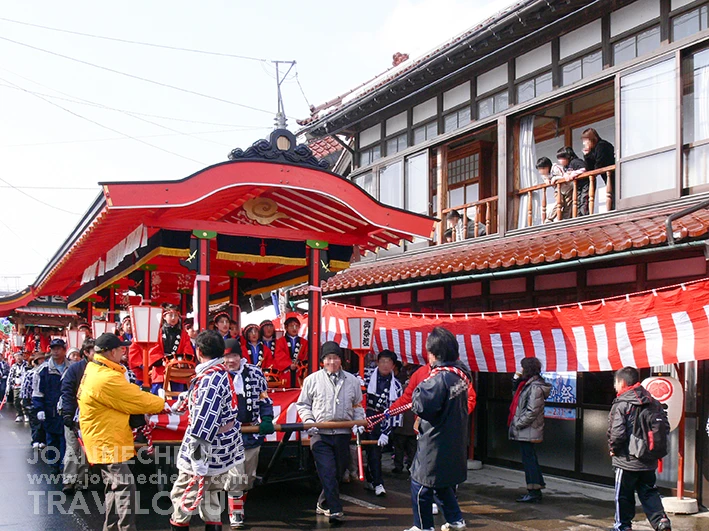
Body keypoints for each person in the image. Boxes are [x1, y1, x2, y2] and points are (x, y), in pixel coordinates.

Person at [78, 333, 166, 531]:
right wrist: (164, 403)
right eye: (120, 349)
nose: (123, 351)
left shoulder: (95, 369)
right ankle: (126, 528)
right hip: (106, 440)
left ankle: (111, 528)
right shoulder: (106, 377)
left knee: (115, 487)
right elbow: (136, 399)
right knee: (126, 486)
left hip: (104, 437)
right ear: (111, 352)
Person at [170, 330, 243, 531]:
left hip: (207, 448)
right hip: (222, 448)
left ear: (199, 351)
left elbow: (204, 422)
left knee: (183, 498)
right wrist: (179, 403)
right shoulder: (218, 373)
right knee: (211, 496)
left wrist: (198, 459)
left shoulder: (211, 379)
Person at [407, 327, 472, 531]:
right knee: (442, 483)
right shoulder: (460, 375)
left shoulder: (439, 378)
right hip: (453, 438)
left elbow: (421, 406)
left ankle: (422, 526)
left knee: (420, 485)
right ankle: (455, 519)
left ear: (434, 354)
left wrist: (420, 388)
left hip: (435, 440)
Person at [296, 341, 365, 524]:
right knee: (327, 470)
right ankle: (335, 509)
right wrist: (309, 422)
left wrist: (359, 423)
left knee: (338, 472)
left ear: (341, 360)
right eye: (328, 358)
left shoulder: (352, 380)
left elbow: (357, 405)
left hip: (343, 432)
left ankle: (322, 503)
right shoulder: (312, 380)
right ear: (322, 361)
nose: (332, 362)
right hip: (320, 432)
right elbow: (303, 404)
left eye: (335, 358)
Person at [608, 367, 672, 531]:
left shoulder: (622, 403)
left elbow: (617, 433)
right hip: (648, 459)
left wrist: (613, 449)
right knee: (649, 492)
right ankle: (661, 521)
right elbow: (665, 426)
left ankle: (623, 526)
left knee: (623, 494)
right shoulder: (653, 402)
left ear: (622, 382)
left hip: (626, 460)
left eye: (616, 382)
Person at [223, 338, 275, 529]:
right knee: (236, 476)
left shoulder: (254, 373)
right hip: (228, 433)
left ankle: (238, 504)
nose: (230, 360)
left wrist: (267, 418)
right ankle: (236, 513)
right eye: (227, 356)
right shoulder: (219, 375)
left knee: (249, 476)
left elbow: (264, 398)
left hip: (252, 431)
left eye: (234, 356)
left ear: (240, 356)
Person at [508, 357, 551, 503]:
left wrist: (518, 423)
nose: (521, 370)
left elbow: (532, 411)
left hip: (528, 428)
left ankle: (534, 491)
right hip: (527, 428)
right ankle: (536, 487)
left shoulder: (535, 387)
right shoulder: (526, 384)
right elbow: (516, 396)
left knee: (529, 460)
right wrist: (515, 379)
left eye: (522, 368)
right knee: (529, 458)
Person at [363, 349, 403, 496]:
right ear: (377, 362)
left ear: (393, 365)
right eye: (382, 361)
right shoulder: (366, 375)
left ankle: (378, 482)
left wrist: (386, 432)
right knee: (365, 450)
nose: (385, 365)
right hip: (363, 415)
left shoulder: (396, 386)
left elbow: (396, 411)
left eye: (389, 362)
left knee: (375, 452)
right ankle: (371, 479)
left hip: (381, 419)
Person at [59, 337, 95, 493]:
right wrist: (68, 414)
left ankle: (82, 480)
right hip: (74, 412)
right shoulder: (74, 370)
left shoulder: (102, 369)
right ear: (86, 352)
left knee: (86, 449)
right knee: (73, 447)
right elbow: (67, 392)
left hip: (91, 415)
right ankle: (69, 480)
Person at [33, 338, 72, 473]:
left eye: (58, 348)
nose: (55, 351)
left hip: (66, 409)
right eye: (53, 348)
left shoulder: (71, 367)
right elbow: (37, 391)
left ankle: (63, 465)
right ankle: (53, 464)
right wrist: (39, 409)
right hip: (50, 409)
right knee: (51, 438)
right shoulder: (43, 370)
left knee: (65, 439)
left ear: (64, 350)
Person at [147, 304, 194, 394]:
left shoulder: (183, 334)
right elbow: (153, 350)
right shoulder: (158, 332)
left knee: (177, 399)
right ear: (164, 316)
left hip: (178, 368)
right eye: (171, 315)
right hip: (161, 368)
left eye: (176, 315)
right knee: (158, 397)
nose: (173, 318)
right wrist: (163, 361)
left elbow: (188, 350)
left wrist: (179, 361)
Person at [391, 363, 420, 474]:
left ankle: (399, 466)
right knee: (410, 449)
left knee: (400, 448)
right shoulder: (421, 390)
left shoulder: (402, 388)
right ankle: (410, 467)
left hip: (403, 424)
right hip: (411, 424)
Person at [274, 313, 309, 388]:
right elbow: (279, 356)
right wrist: (289, 364)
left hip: (299, 372)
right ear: (286, 327)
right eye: (291, 326)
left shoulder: (304, 342)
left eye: (296, 326)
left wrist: (298, 365)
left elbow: (306, 356)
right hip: (285, 372)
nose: (294, 328)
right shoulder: (280, 341)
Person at [21, 352, 46, 449]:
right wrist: (25, 400)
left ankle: (42, 440)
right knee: (35, 422)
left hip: (44, 400)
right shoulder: (30, 373)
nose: (42, 361)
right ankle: (35, 439)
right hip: (32, 400)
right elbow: (26, 388)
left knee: (43, 422)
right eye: (40, 359)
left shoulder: (46, 372)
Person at [555, 146, 588, 217]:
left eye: (561, 158)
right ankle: (579, 216)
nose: (559, 161)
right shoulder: (566, 167)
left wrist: (572, 174)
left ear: (567, 156)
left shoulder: (575, 162)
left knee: (584, 200)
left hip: (585, 184)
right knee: (578, 201)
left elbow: (583, 169)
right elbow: (566, 174)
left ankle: (584, 216)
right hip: (577, 186)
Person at [536, 156, 570, 221]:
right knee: (559, 202)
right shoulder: (544, 174)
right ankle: (549, 218)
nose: (540, 172)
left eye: (541, 169)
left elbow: (565, 176)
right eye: (539, 169)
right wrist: (546, 180)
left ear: (547, 167)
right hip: (558, 190)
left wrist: (555, 178)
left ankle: (565, 219)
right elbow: (545, 179)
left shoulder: (556, 168)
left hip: (568, 188)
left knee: (568, 205)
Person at [7, 351, 28, 422]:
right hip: (16, 386)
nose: (18, 358)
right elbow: (10, 376)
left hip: (25, 386)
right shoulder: (14, 366)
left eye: (19, 356)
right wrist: (8, 386)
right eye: (16, 356)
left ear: (22, 356)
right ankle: (19, 414)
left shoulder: (27, 365)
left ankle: (26, 414)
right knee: (16, 401)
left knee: (24, 401)